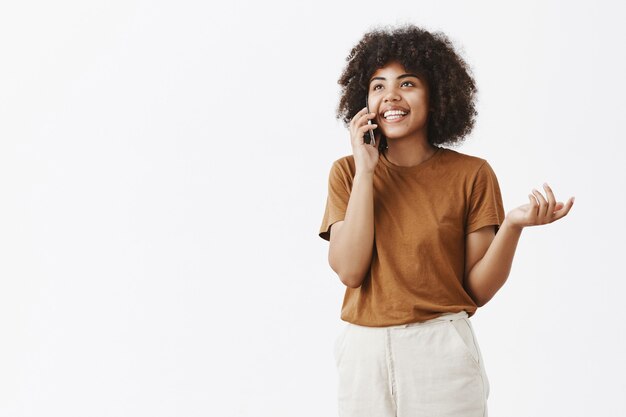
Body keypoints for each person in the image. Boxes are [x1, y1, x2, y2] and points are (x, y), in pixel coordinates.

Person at [318, 24, 574, 417]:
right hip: (364, 355)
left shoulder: (472, 175)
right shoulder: (347, 173)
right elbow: (350, 271)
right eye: (378, 86)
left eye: (407, 84)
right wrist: (367, 172)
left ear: (435, 95)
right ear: (363, 100)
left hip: (441, 353)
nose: (390, 97)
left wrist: (513, 226)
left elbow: (477, 290)